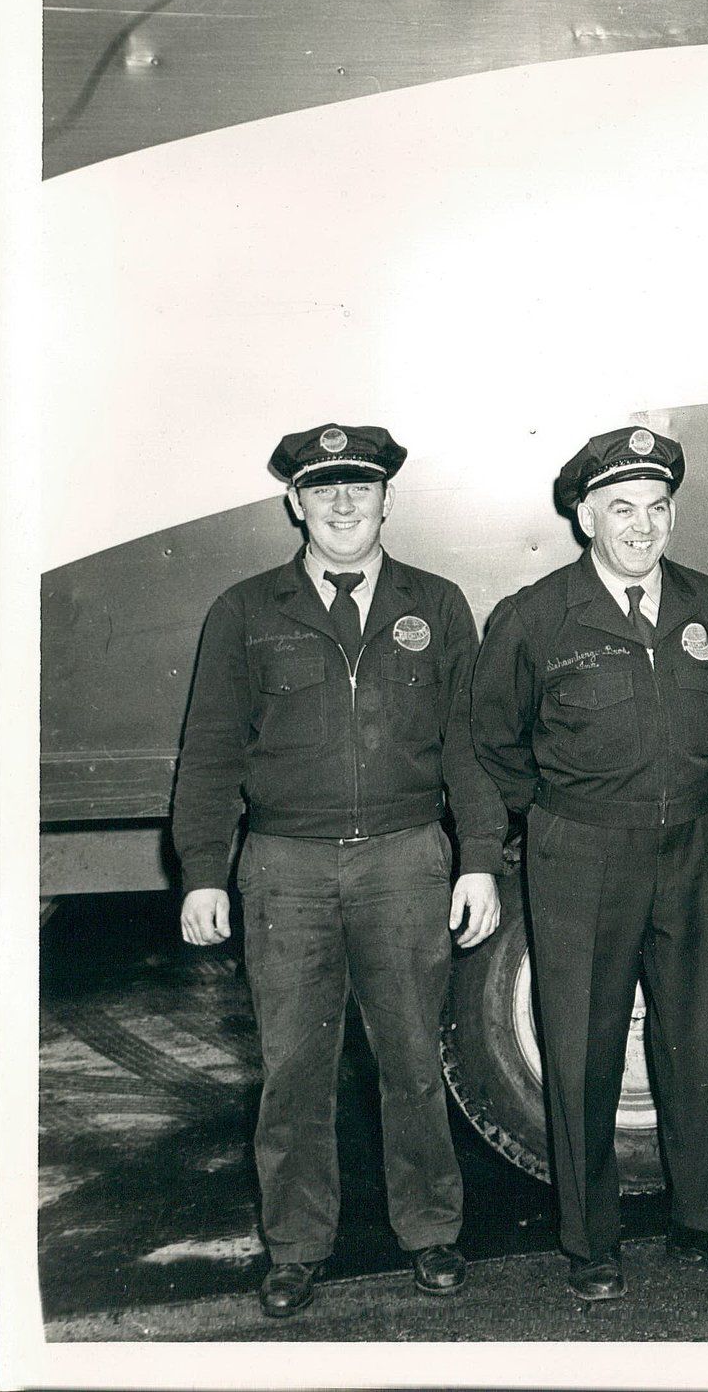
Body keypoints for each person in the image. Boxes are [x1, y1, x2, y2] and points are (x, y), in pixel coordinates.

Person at [172, 423, 505, 1318]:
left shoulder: (435, 604)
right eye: (325, 490)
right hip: (285, 870)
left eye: (360, 487)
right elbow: (208, 752)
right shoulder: (245, 610)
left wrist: (478, 859)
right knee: (293, 1071)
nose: (344, 504)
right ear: (295, 503)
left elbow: (467, 749)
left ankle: (431, 1233)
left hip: (405, 861)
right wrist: (205, 869)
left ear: (388, 499)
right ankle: (296, 1247)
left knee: (411, 1062)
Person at [469, 426, 708, 1297]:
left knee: (700, 1036)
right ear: (584, 519)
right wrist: (560, 811)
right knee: (582, 1048)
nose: (641, 526)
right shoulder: (535, 616)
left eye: (655, 507)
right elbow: (494, 738)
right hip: (581, 851)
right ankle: (592, 1243)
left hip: (688, 839)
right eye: (620, 508)